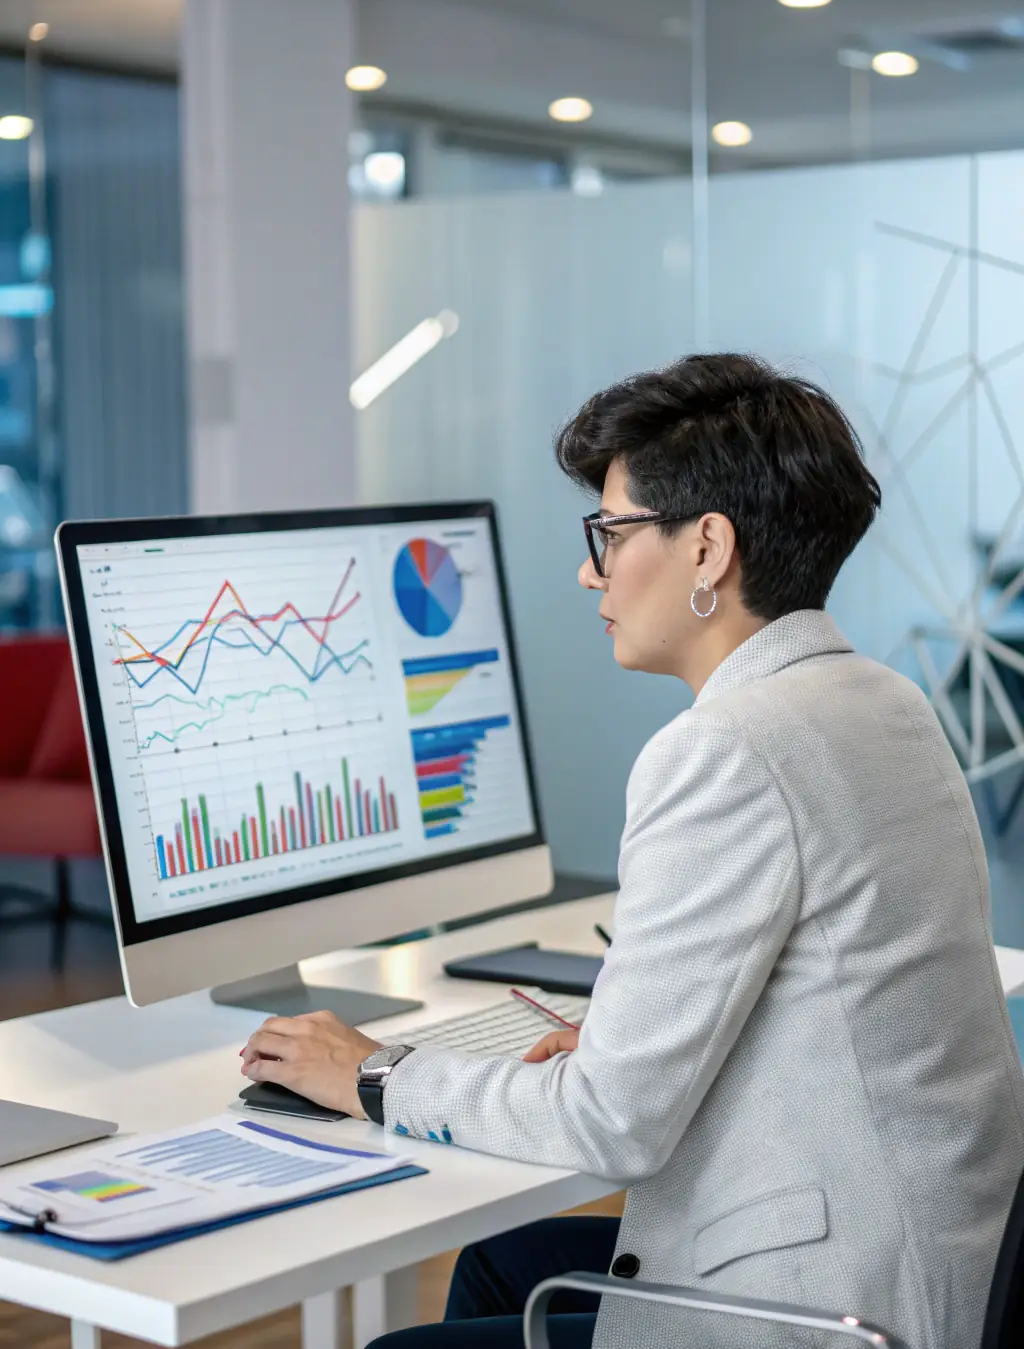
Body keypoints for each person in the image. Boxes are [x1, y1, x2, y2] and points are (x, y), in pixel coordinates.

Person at [240, 354, 1024, 1349]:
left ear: (706, 548)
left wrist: (375, 1072)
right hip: (936, 1264)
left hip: (823, 1307)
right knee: (496, 1265)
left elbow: (612, 1126)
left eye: (609, 534)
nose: (588, 569)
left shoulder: (724, 750)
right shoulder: (882, 703)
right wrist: (629, 1042)